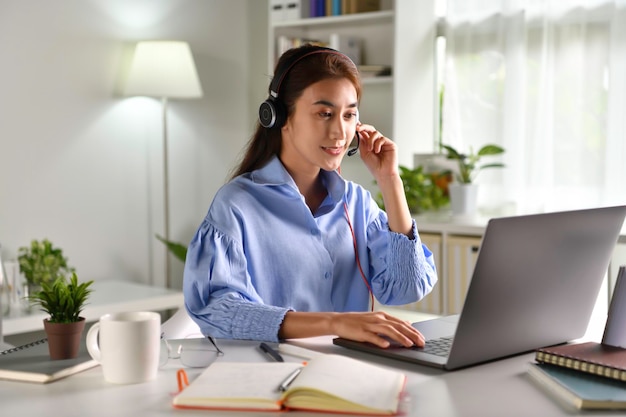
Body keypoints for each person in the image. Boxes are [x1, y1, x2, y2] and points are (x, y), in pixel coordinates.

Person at [183, 44, 437, 348]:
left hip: (349, 372)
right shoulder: (237, 205)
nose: (340, 133)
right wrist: (334, 322)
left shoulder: (356, 203)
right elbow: (216, 310)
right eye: (325, 113)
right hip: (271, 376)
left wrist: (390, 180)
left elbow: (406, 288)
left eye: (349, 115)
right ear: (279, 117)